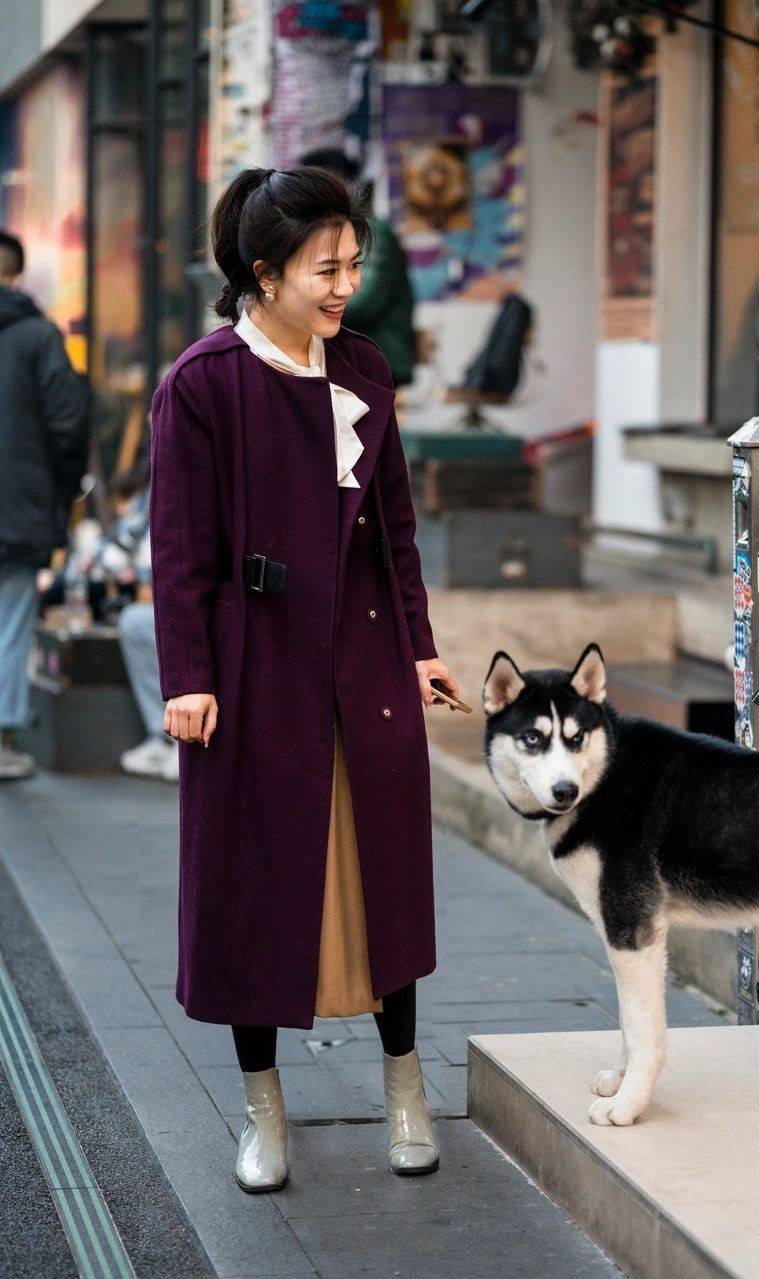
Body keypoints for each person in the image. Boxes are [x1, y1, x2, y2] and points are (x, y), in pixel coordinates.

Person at [148, 166, 462, 1194]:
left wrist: (419, 644)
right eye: (327, 267)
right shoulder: (203, 383)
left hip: (364, 658)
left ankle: (405, 1086)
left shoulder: (364, 368)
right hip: (251, 670)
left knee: (388, 883)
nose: (346, 284)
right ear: (264, 271)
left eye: (353, 262)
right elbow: (182, 550)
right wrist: (188, 675)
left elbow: (395, 529)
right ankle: (262, 1110)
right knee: (251, 887)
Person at [0, 230, 89, 780]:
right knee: (10, 620)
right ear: (17, 274)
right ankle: (3, 736)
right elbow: (66, 422)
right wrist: (61, 488)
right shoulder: (36, 336)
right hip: (17, 507)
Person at [300, 148, 417, 388]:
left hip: (375, 356)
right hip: (348, 355)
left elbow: (365, 301)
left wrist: (302, 308)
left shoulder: (372, 233)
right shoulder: (330, 233)